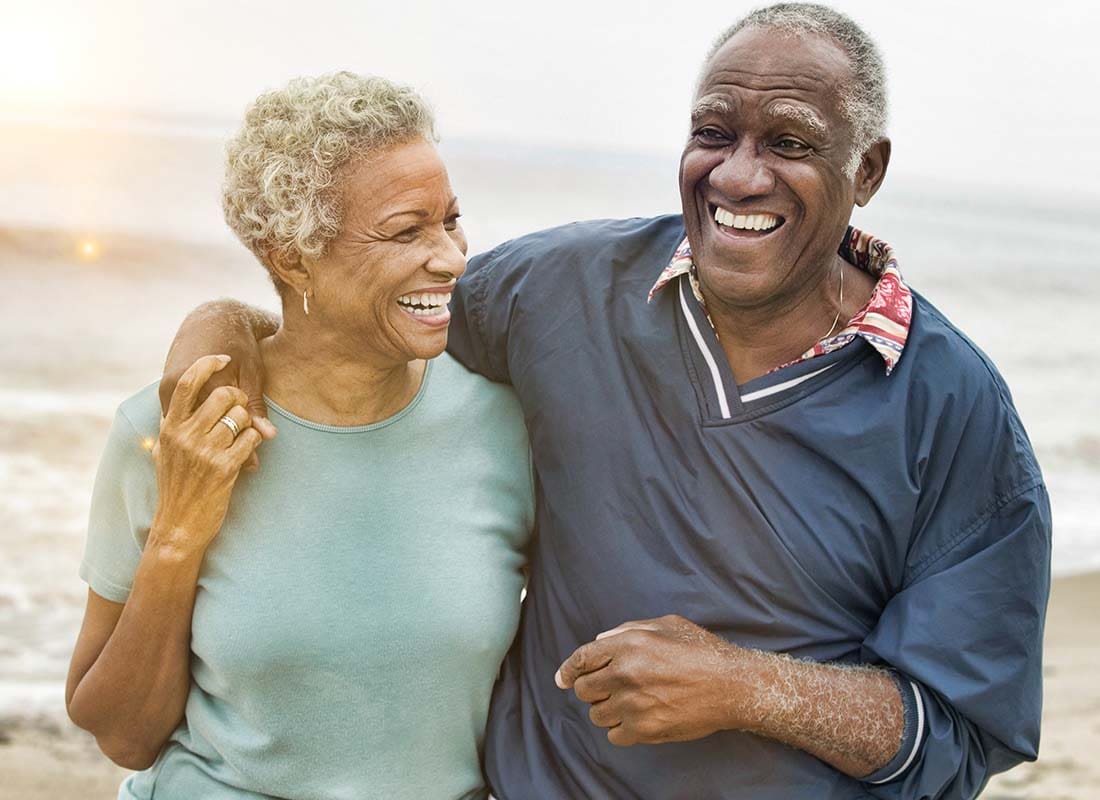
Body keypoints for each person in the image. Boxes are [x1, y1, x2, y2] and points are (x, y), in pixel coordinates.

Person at [159, 4, 1052, 799]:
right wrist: (219, 329)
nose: (739, 176)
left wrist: (747, 687)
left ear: (868, 170)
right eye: (714, 132)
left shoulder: (955, 410)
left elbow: (966, 731)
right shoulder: (562, 287)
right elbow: (365, 316)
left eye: (789, 143)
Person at [66, 72, 534, 800]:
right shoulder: (171, 431)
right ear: (291, 256)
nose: (450, 258)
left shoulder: (506, 426)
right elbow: (123, 735)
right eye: (407, 230)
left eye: (450, 220)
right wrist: (180, 531)